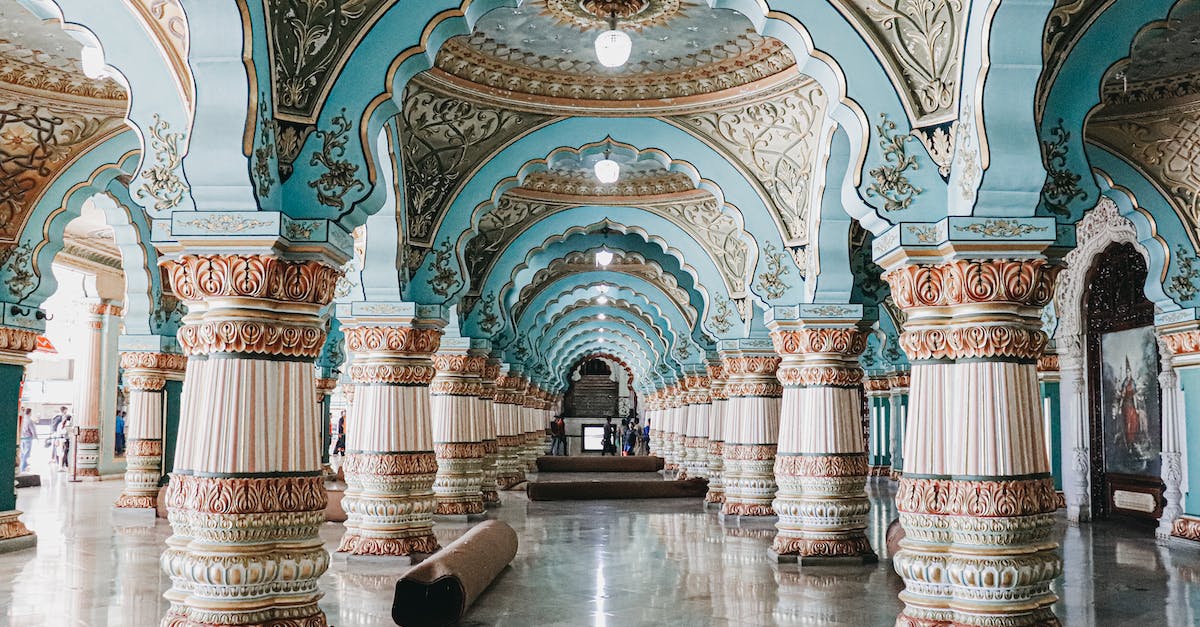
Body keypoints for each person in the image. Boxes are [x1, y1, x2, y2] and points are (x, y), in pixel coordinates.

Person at [18, 408, 36, 473]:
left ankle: (23, 466)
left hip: (22, 438)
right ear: (30, 412)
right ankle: (23, 468)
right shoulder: (29, 420)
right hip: (28, 438)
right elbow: (32, 430)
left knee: (23, 453)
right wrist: (35, 437)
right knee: (26, 453)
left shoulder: (23, 419)